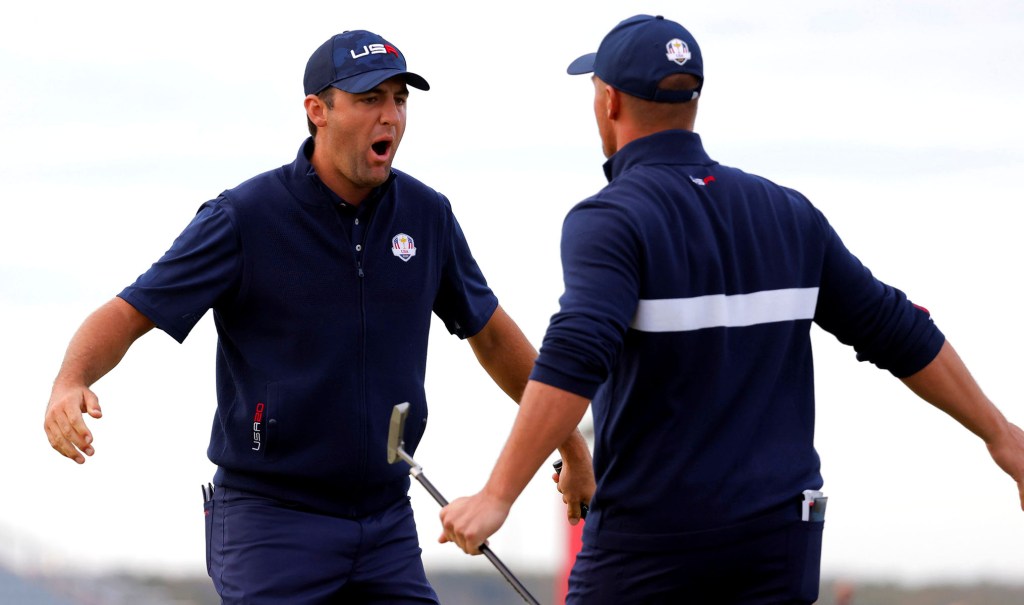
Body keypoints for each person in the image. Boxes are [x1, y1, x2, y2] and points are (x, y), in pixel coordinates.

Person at [438, 14, 1024, 604]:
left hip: (654, 546)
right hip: (780, 540)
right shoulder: (789, 213)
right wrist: (1000, 435)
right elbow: (898, 329)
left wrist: (497, 494)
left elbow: (578, 352)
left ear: (609, 100)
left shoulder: (610, 219)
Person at [42, 29, 593, 604]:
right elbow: (130, 312)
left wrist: (573, 448)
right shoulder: (244, 217)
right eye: (369, 99)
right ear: (317, 111)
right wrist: (70, 381)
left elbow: (495, 338)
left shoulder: (427, 216)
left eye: (399, 100)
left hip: (384, 519)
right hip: (270, 521)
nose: (390, 117)